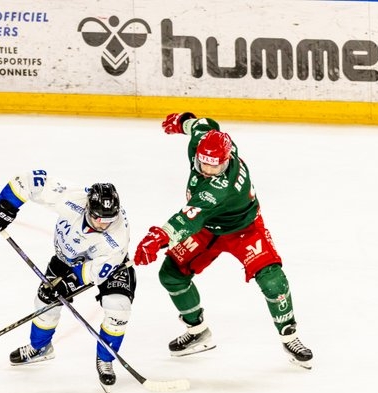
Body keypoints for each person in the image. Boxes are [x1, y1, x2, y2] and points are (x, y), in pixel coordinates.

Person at [133, 113, 313, 369]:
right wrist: (185, 121)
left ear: (227, 160)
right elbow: (203, 124)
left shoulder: (220, 186)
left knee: (273, 280)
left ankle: (290, 337)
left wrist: (159, 236)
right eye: (204, 164)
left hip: (244, 229)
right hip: (208, 229)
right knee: (172, 274)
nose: (208, 170)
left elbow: (189, 217)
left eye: (215, 166)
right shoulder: (206, 142)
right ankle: (197, 331)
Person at [0, 169, 137, 391]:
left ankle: (106, 359)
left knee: (119, 308)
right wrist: (6, 208)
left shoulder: (117, 238)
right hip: (66, 259)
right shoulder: (72, 197)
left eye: (109, 219)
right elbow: (30, 181)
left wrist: (67, 285)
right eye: (98, 218)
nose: (103, 224)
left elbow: (94, 272)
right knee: (44, 302)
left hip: (110, 267)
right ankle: (41, 348)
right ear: (88, 207)